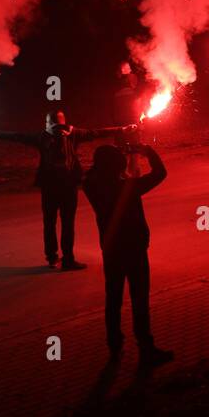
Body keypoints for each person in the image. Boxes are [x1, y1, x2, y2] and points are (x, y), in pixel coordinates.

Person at [0, 111, 133, 269]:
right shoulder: (71, 134)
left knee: (51, 223)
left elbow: (18, 136)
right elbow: (97, 133)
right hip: (63, 186)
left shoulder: (45, 136)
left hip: (54, 186)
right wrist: (123, 129)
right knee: (64, 223)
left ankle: (54, 258)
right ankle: (65, 259)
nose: (59, 131)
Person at [82, 143, 173, 366]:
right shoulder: (127, 187)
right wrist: (148, 152)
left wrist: (119, 158)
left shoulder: (91, 185)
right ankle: (146, 346)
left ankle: (114, 344)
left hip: (111, 248)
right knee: (139, 299)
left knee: (113, 298)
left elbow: (95, 171)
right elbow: (160, 173)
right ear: (116, 166)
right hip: (133, 249)